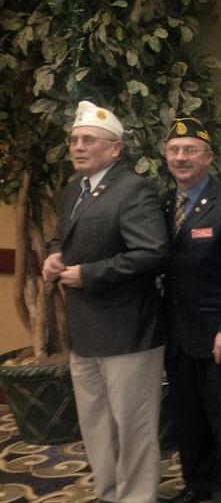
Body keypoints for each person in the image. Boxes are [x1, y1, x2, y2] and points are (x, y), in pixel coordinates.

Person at [42, 101, 169, 503]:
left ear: (115, 149)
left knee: (133, 426)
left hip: (128, 332)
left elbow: (153, 252)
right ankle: (109, 493)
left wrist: (90, 274)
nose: (78, 147)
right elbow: (62, 237)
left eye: (88, 140)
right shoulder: (73, 189)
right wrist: (54, 255)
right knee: (95, 423)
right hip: (85, 330)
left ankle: (137, 497)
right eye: (74, 140)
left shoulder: (133, 189)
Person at [162, 117, 221, 503]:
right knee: (188, 413)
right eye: (173, 150)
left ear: (208, 157)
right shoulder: (163, 203)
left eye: (190, 150)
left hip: (218, 331)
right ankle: (197, 480)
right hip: (177, 332)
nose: (180, 157)